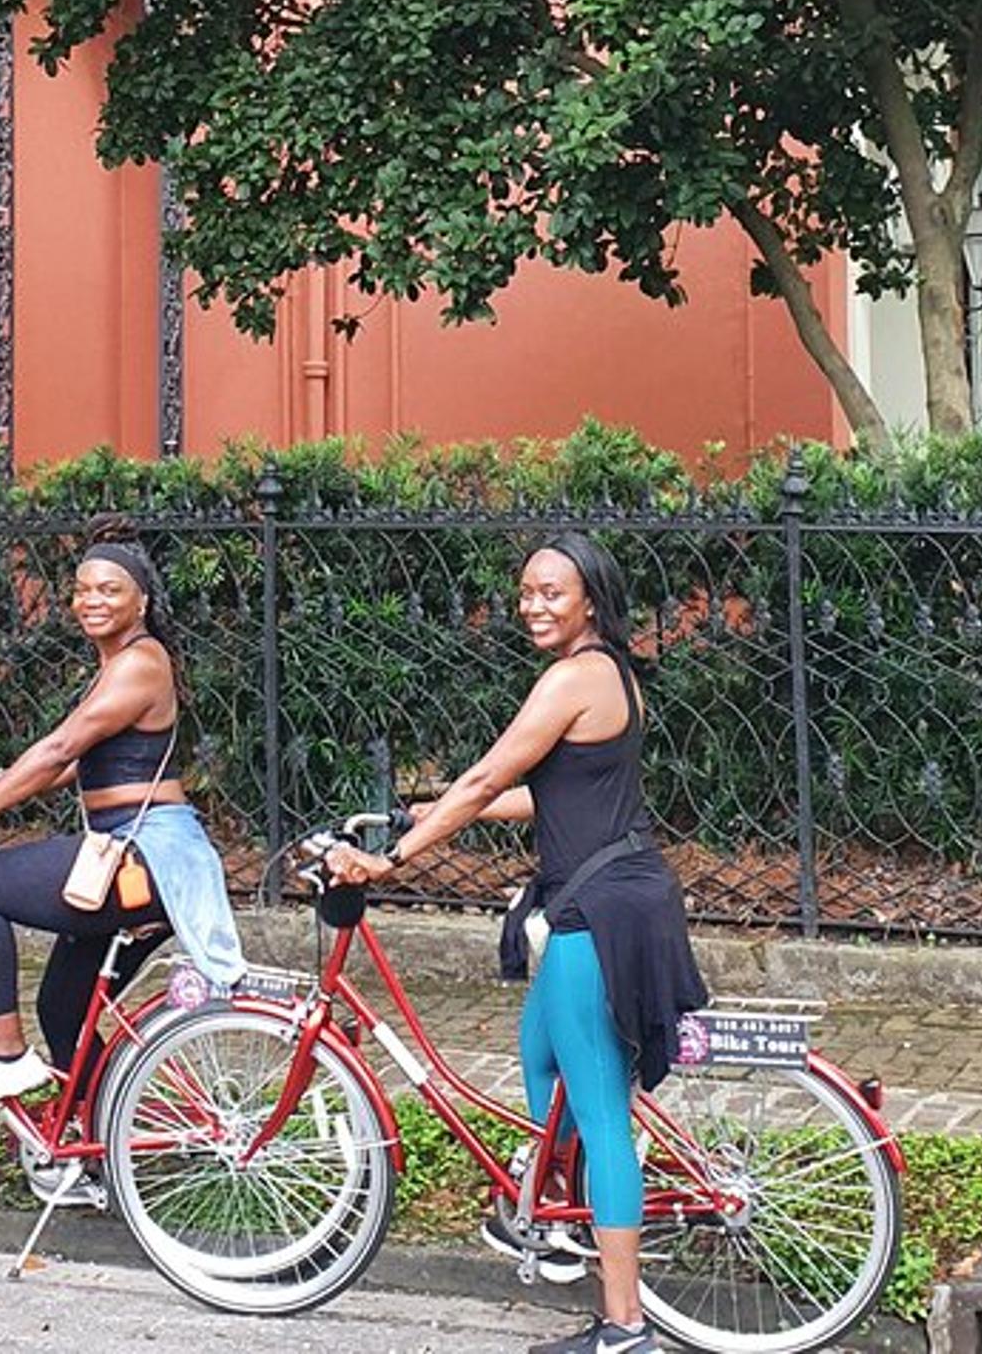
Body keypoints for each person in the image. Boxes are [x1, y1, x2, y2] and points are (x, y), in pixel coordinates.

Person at [325, 533, 707, 1354]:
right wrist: (416, 816)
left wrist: (390, 858)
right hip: (618, 891)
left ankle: (625, 1325)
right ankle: (565, 1216)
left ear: (591, 601)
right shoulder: (614, 676)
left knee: (601, 1114)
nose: (533, 604)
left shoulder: (573, 676)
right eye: (526, 591)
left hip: (597, 915)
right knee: (540, 1054)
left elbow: (489, 778)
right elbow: (547, 793)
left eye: (550, 592)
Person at [0, 516, 246, 1112]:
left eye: (109, 589)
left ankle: (4, 1057)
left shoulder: (139, 663)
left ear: (142, 601)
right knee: (64, 1009)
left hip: (145, 852)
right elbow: (77, 761)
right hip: (130, 851)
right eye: (82, 589)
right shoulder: (122, 664)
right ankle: (103, 1157)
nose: (91, 600)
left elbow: (60, 748)